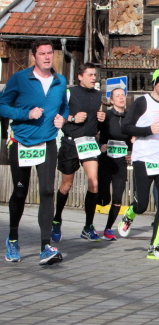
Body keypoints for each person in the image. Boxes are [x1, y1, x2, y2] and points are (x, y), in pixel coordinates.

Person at [0, 40, 67, 265]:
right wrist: (26, 114)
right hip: (22, 142)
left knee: (47, 191)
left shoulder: (60, 81)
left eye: (50, 53)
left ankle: (45, 247)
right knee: (20, 192)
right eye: (42, 53)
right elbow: (2, 106)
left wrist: (62, 119)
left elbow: (64, 107)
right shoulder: (20, 78)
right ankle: (12, 239)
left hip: (47, 142)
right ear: (33, 56)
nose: (47, 57)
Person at [117, 69, 159, 260]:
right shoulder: (142, 102)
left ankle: (154, 247)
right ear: (154, 83)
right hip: (144, 158)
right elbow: (125, 127)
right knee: (142, 204)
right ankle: (130, 214)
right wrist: (147, 130)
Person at [53, 63, 106, 243]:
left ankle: (88, 227)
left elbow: (99, 118)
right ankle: (57, 219)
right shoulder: (69, 93)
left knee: (94, 183)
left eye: (95, 75)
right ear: (80, 76)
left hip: (89, 142)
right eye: (90, 75)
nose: (94, 78)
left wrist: (101, 118)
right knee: (66, 185)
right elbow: (56, 115)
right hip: (71, 143)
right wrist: (73, 118)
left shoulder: (97, 95)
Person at [97, 87, 130, 240]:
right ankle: (89, 225)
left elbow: (133, 137)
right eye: (117, 96)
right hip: (106, 160)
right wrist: (100, 145)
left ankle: (108, 229)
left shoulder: (130, 117)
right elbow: (95, 133)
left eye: (123, 95)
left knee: (118, 196)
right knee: (103, 198)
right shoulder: (107, 116)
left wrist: (131, 150)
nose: (121, 98)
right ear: (111, 100)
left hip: (121, 162)